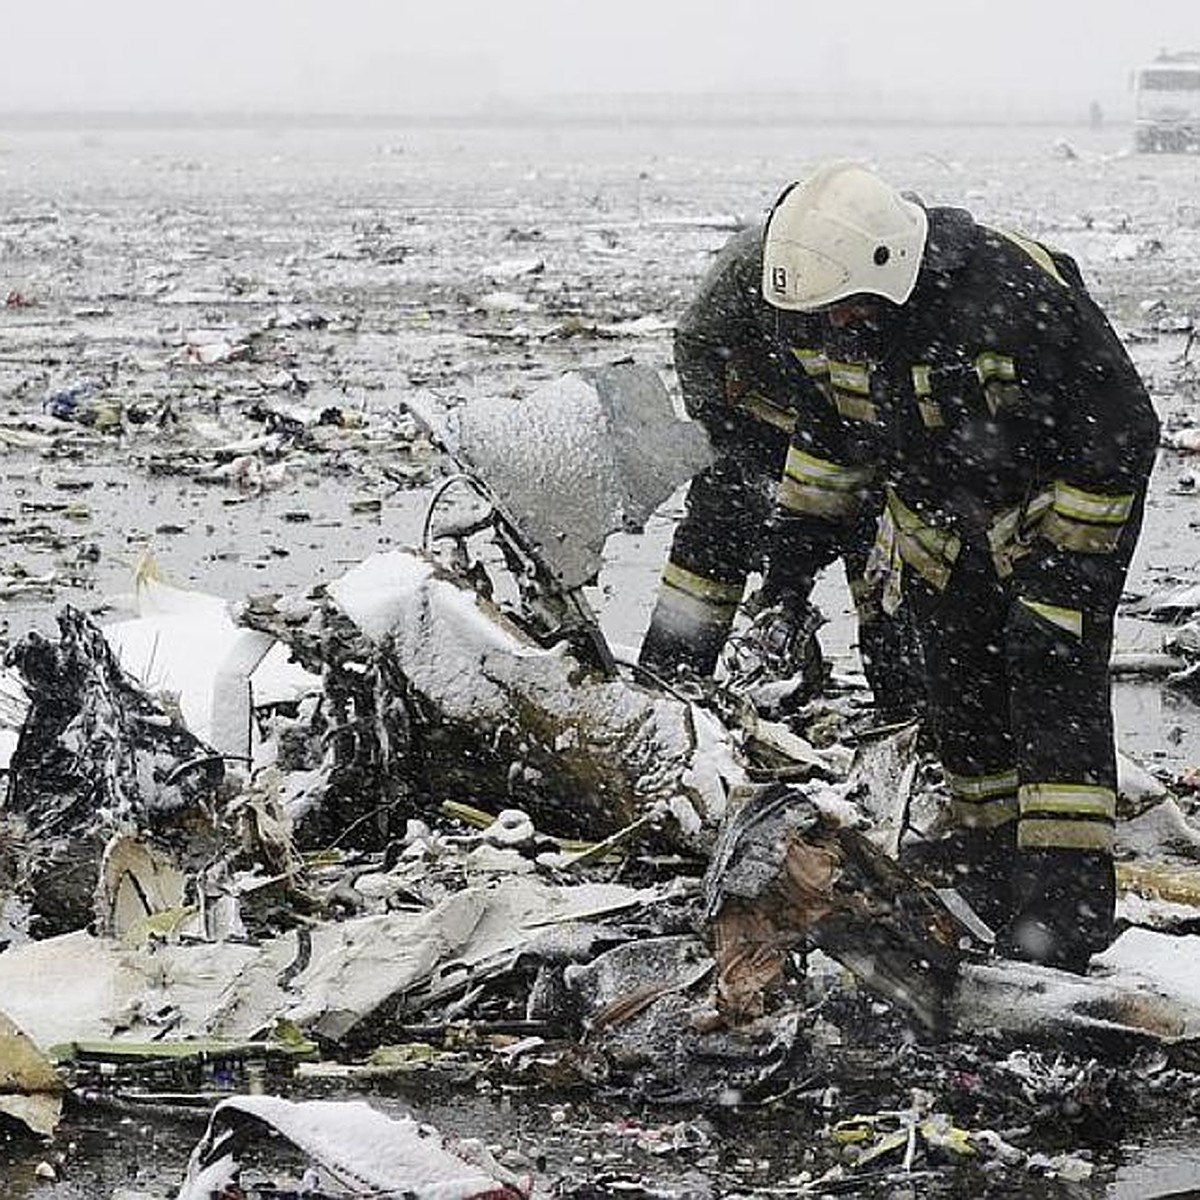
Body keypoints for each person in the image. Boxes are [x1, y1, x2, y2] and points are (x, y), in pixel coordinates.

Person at [748, 160, 1159, 971]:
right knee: (962, 701)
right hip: (940, 533)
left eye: (848, 311)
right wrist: (788, 575)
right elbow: (832, 447)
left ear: (888, 272)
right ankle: (989, 872)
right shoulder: (816, 320)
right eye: (822, 317)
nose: (837, 328)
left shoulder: (1011, 296)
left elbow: (1119, 434)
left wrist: (1060, 584)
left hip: (1058, 520)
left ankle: (1062, 914)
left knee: (1053, 694)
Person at [637, 220, 926, 723]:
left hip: (857, 432)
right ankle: (668, 684)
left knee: (881, 564)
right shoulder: (749, 264)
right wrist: (726, 432)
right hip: (758, 424)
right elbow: (696, 341)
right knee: (713, 539)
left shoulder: (884, 266)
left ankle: (906, 708)